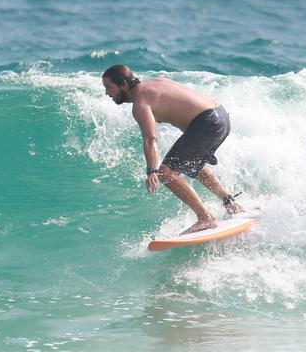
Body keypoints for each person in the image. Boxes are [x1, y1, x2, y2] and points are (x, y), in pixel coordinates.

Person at [102, 64, 243, 234]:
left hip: (207, 122)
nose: (107, 93)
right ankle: (230, 202)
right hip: (220, 116)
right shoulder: (155, 82)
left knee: (165, 173)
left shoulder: (140, 102)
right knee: (192, 164)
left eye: (110, 88)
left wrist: (152, 170)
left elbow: (150, 138)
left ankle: (205, 218)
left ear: (123, 84)